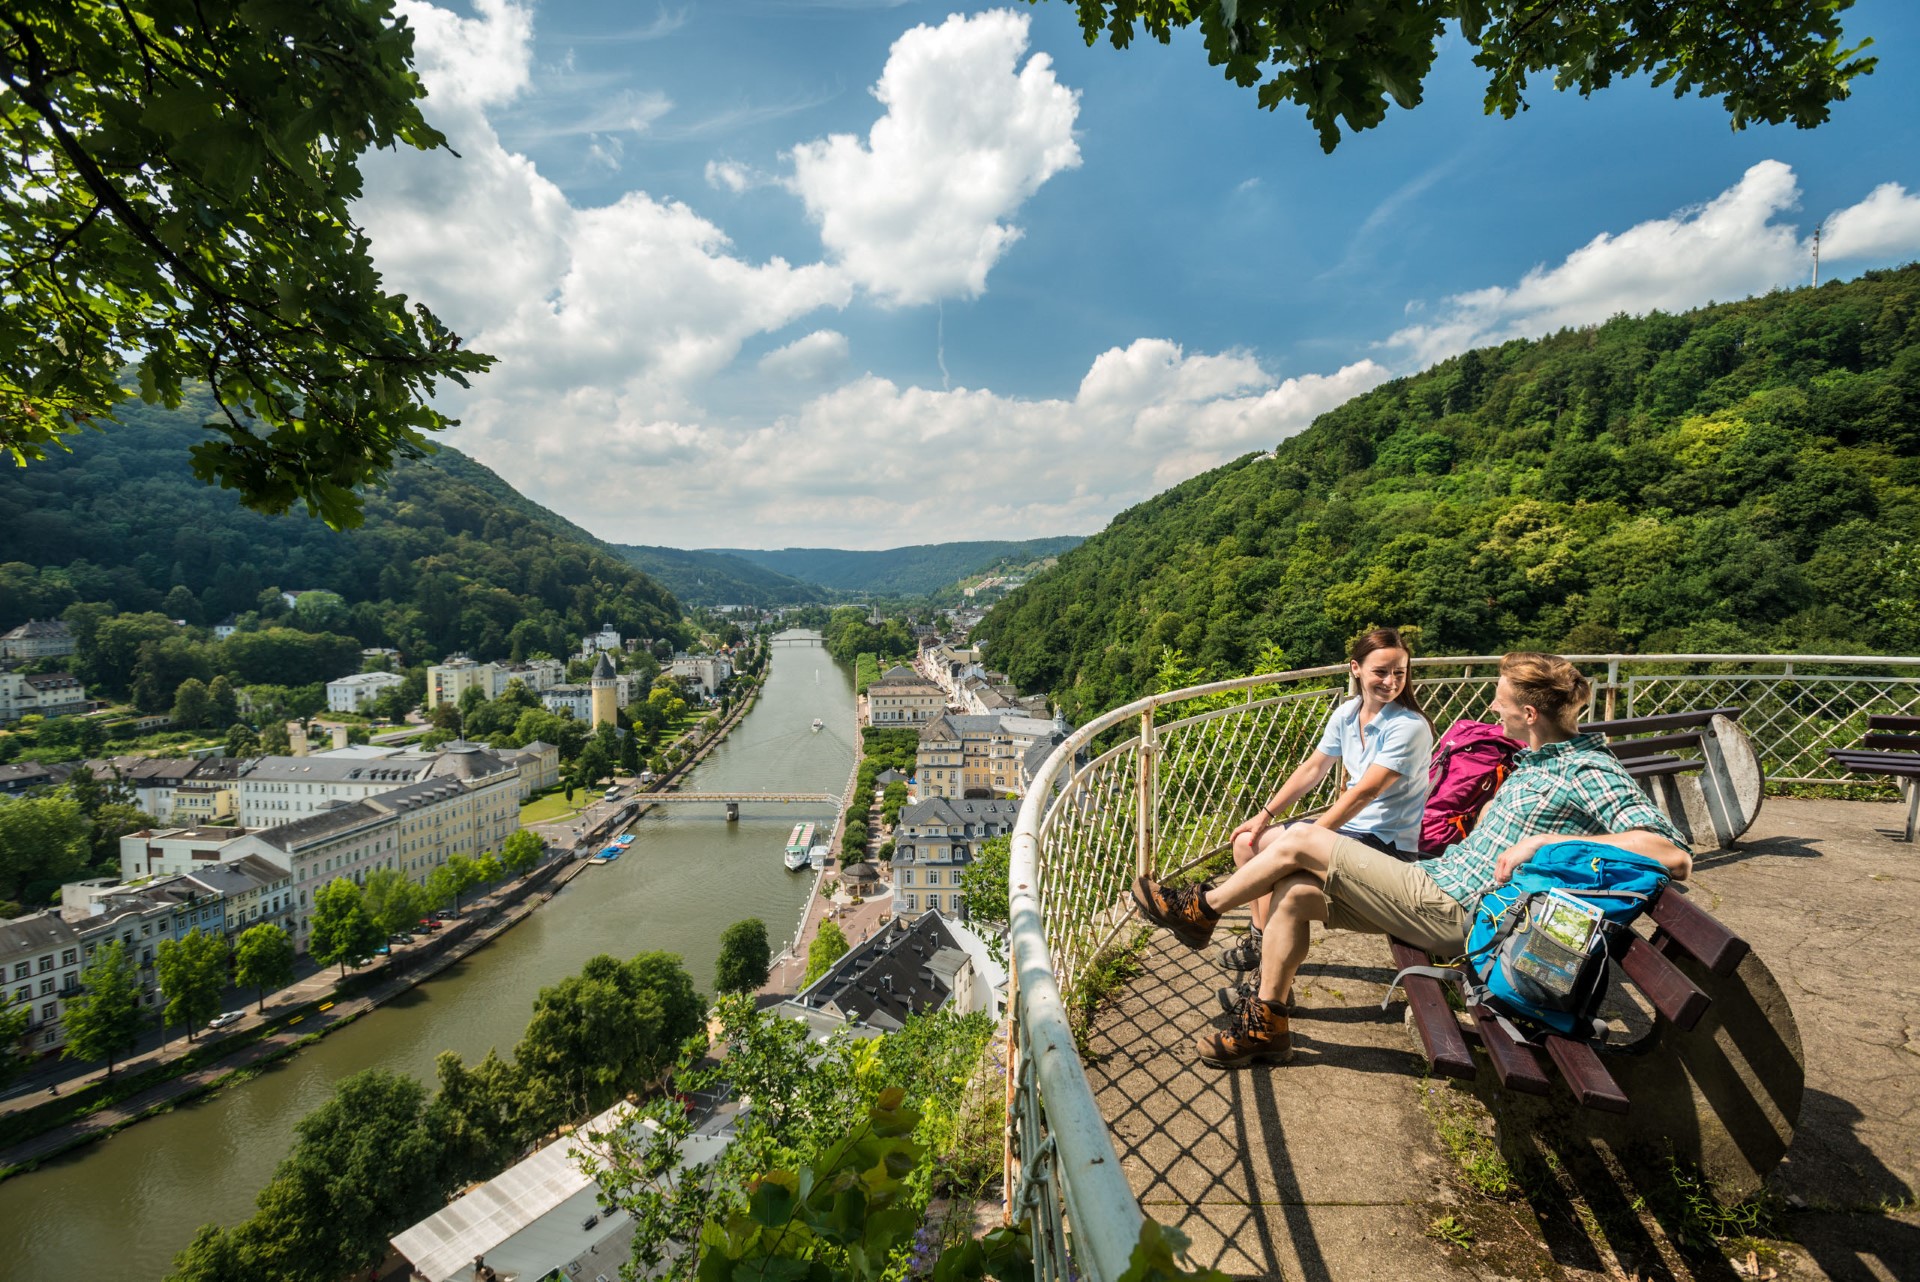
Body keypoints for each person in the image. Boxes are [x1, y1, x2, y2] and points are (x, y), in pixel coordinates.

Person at [1131, 651, 1691, 1069]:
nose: (1490, 706)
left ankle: (1201, 910)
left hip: (1464, 913)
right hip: (1434, 880)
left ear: (1527, 711)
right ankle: (1266, 1024)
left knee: (1300, 840)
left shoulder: (1586, 770)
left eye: (1498, 698)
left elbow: (1671, 852)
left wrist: (1543, 846)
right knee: (1295, 893)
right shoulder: (1538, 757)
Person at [1216, 628, 1434, 998]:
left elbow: (1365, 791)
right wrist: (1265, 815)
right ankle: (1259, 941)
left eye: (1400, 672)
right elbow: (1313, 769)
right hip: (1350, 833)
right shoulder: (1348, 714)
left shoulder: (1409, 727)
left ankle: (1268, 983)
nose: (1391, 681)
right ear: (1356, 669)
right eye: (1381, 671)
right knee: (1246, 844)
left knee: (1288, 884)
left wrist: (1309, 837)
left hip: (1384, 845)